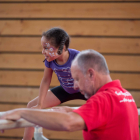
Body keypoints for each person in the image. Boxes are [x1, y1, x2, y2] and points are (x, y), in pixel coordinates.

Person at [0, 50, 139, 140]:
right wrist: (74, 111)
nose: (74, 86)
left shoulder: (103, 99)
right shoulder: (124, 95)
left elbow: (68, 123)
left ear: (91, 73)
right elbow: (107, 117)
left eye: (77, 79)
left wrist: (22, 112)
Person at [22, 27, 86, 140]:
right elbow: (46, 80)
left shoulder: (78, 57)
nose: (43, 52)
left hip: (84, 91)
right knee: (31, 106)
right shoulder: (50, 60)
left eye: (46, 48)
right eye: (43, 48)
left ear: (61, 48)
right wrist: (40, 104)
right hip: (66, 90)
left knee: (104, 108)